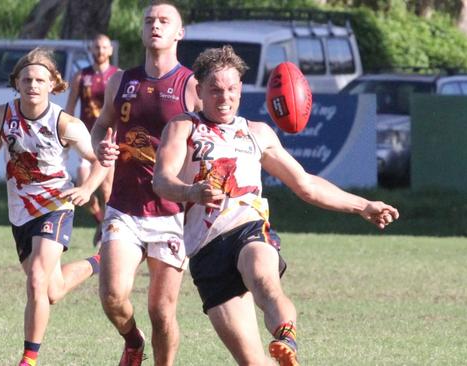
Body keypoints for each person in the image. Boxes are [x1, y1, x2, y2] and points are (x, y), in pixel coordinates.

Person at [152, 45, 400, 366]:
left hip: (249, 230)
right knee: (253, 363)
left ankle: (286, 338)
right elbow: (161, 181)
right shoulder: (183, 127)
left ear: (241, 89)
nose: (224, 97)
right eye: (214, 90)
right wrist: (192, 192)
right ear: (199, 90)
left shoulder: (257, 133)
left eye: (231, 89)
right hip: (205, 250)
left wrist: (363, 205)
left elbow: (306, 185)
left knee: (263, 279)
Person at [0, 48, 107, 366]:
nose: (33, 85)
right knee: (52, 290)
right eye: (27, 79)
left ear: (52, 84)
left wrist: (87, 188)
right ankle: (101, 260)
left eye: (39, 80)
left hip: (56, 206)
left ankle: (29, 359)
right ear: (16, 83)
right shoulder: (2, 116)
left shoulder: (65, 123)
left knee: (36, 282)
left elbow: (100, 159)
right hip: (20, 211)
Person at [90, 1, 201, 365]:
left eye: (165, 21)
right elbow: (101, 124)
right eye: (150, 20)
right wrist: (100, 150)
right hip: (124, 205)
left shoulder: (191, 85)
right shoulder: (121, 80)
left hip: (172, 212)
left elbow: (209, 142)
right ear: (141, 30)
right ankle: (133, 341)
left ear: (179, 33)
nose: (156, 25)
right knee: (112, 295)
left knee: (162, 313)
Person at [65, 33, 119, 247]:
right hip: (86, 139)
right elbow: (70, 107)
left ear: (111, 50)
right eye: (97, 47)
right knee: (82, 181)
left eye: (104, 47)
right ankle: (99, 220)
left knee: (107, 189)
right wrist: (64, 131)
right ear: (91, 49)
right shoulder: (81, 76)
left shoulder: (118, 76)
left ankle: (106, 228)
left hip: (109, 139)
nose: (100, 51)